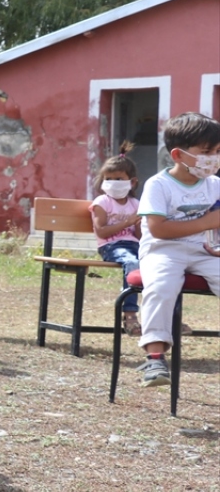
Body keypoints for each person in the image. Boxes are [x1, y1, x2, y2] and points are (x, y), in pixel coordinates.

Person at [133, 113, 220, 387]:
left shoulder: (215, 185)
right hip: (163, 251)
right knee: (160, 286)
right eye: (206, 152)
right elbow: (158, 229)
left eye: (217, 151)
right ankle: (155, 357)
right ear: (178, 154)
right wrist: (207, 221)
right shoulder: (158, 185)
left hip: (204, 252)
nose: (214, 158)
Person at [89, 147, 143, 336]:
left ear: (132, 182)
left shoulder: (136, 204)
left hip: (135, 246)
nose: (113, 183)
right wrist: (127, 222)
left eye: (118, 179)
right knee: (132, 263)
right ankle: (130, 314)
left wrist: (140, 224)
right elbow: (102, 232)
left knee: (163, 265)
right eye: (108, 178)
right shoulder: (101, 203)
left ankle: (168, 317)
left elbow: (139, 236)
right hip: (111, 247)